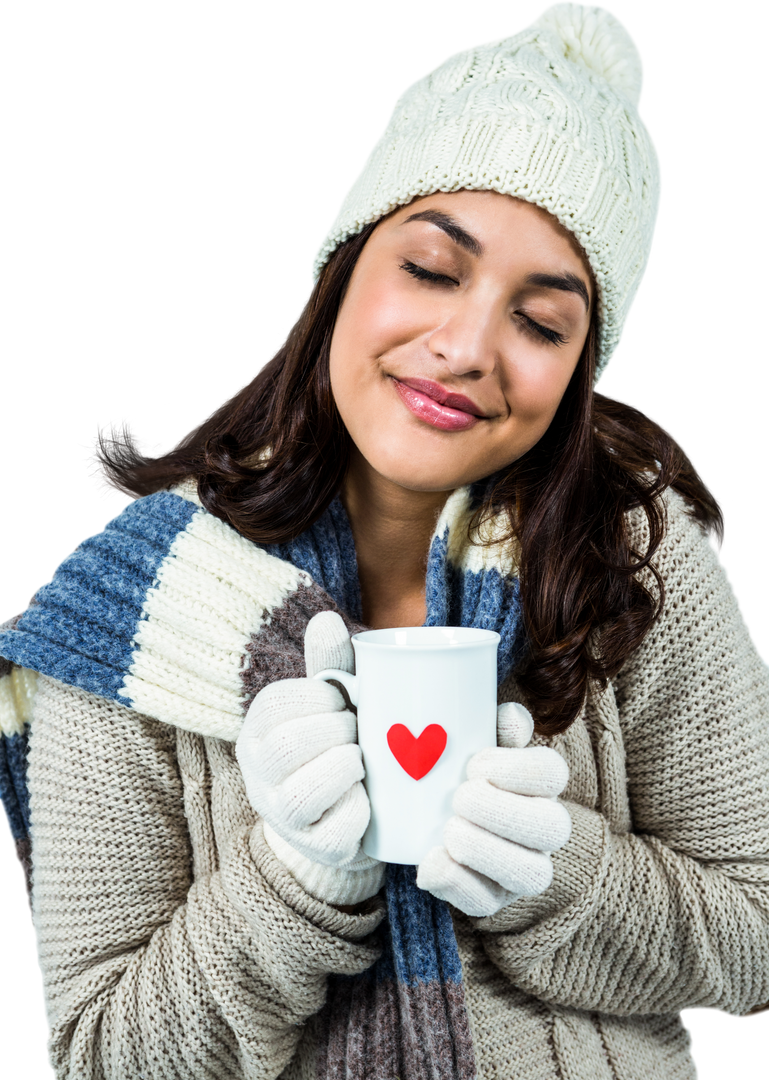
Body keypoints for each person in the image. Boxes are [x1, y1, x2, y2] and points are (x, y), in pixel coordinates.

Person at [1, 2, 767, 1077]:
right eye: (429, 269)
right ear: (340, 273)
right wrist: (295, 882)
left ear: (581, 373)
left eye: (542, 322)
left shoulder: (640, 559)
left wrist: (559, 880)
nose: (464, 347)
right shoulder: (120, 614)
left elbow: (754, 936)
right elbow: (101, 1055)